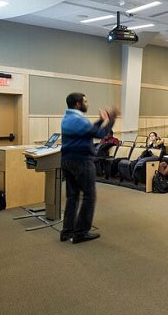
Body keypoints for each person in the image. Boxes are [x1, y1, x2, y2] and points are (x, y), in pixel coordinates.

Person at [60, 92, 119, 244]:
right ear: (78, 104)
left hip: (67, 160)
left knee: (72, 197)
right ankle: (80, 232)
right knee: (89, 196)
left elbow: (88, 131)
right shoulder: (78, 119)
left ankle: (67, 231)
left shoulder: (68, 118)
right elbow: (99, 134)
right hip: (81, 161)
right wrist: (111, 119)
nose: (88, 104)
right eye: (85, 101)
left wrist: (101, 119)